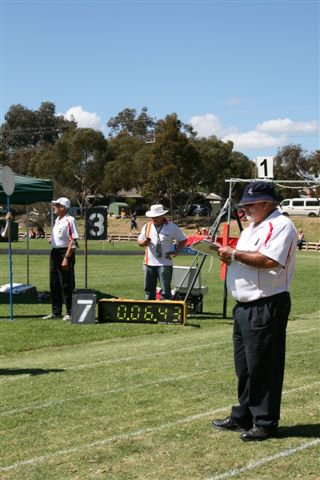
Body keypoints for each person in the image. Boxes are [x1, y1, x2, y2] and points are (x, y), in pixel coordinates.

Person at [212, 181, 297, 442]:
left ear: (266, 203)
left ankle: (266, 422)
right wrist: (229, 254)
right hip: (245, 305)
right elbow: (245, 255)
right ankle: (244, 415)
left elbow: (270, 260)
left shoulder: (281, 225)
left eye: (250, 204)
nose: (245, 209)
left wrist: (234, 254)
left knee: (264, 366)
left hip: (265, 303)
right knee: (246, 366)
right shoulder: (254, 227)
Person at [138, 204, 187, 300]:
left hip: (165, 264)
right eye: (152, 217)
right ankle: (150, 310)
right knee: (148, 290)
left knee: (165, 291)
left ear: (162, 216)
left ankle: (165, 311)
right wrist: (144, 242)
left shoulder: (171, 226)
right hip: (148, 263)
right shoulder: (147, 226)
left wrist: (175, 252)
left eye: (156, 217)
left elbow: (183, 240)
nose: (154, 219)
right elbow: (139, 241)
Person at [43, 197, 79, 321]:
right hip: (54, 253)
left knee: (66, 283)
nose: (54, 207)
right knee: (54, 283)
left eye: (57, 205)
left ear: (63, 207)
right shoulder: (57, 220)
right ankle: (56, 311)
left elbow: (73, 240)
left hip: (65, 253)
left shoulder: (70, 220)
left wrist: (66, 258)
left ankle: (70, 312)